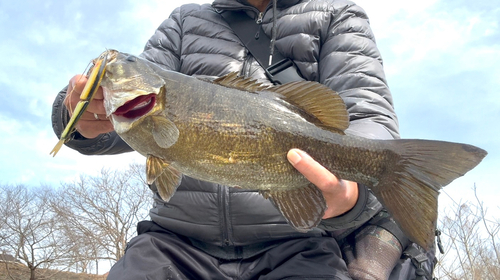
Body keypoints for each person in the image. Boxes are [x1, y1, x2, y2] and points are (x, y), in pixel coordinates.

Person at [52, 0, 436, 279]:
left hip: (297, 241)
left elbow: (367, 117)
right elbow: (127, 125)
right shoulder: (184, 20)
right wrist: (78, 117)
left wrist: (352, 192)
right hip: (174, 241)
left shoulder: (337, 15)